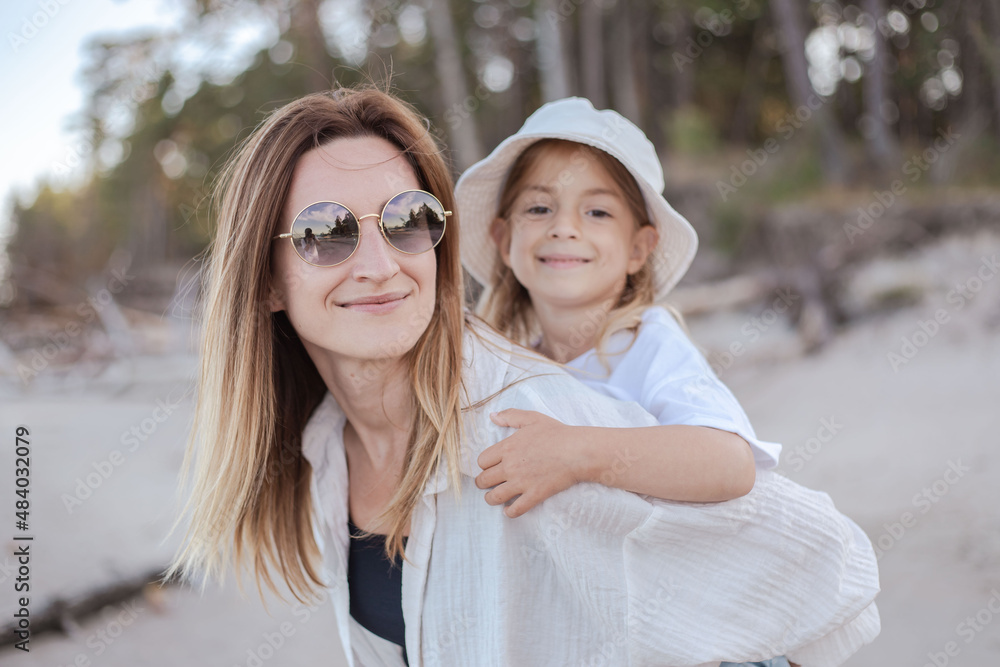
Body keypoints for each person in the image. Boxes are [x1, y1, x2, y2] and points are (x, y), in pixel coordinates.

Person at [166, 87, 880, 667]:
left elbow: (817, 554)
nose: (381, 264)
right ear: (265, 279)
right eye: (326, 232)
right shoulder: (324, 446)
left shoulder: (527, 420)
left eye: (406, 220)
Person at [455, 96, 800, 666]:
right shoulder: (503, 368)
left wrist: (575, 453)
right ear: (502, 238)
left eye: (597, 212)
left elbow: (730, 462)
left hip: (705, 643)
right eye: (539, 209)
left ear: (640, 247)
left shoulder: (646, 343)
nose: (565, 228)